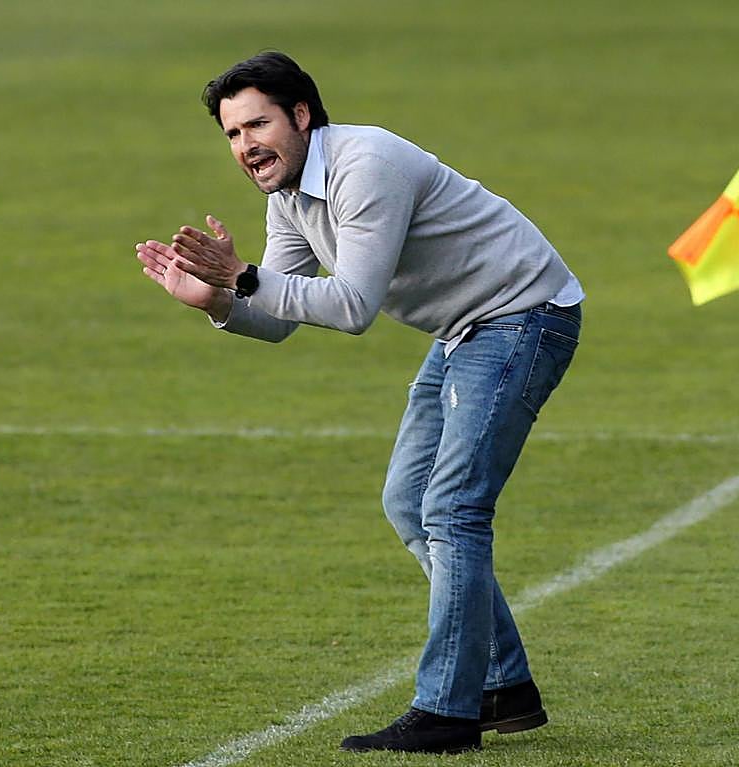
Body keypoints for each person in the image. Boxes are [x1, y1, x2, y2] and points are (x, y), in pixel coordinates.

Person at [135, 52, 584, 754]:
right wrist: (218, 298)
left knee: (454, 509)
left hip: (523, 314)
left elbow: (350, 307)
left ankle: (448, 709)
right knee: (411, 501)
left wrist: (244, 275)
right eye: (231, 133)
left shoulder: (363, 165)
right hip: (467, 328)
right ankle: (504, 685)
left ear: (302, 116)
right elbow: (280, 312)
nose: (245, 145)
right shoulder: (287, 195)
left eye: (258, 123)